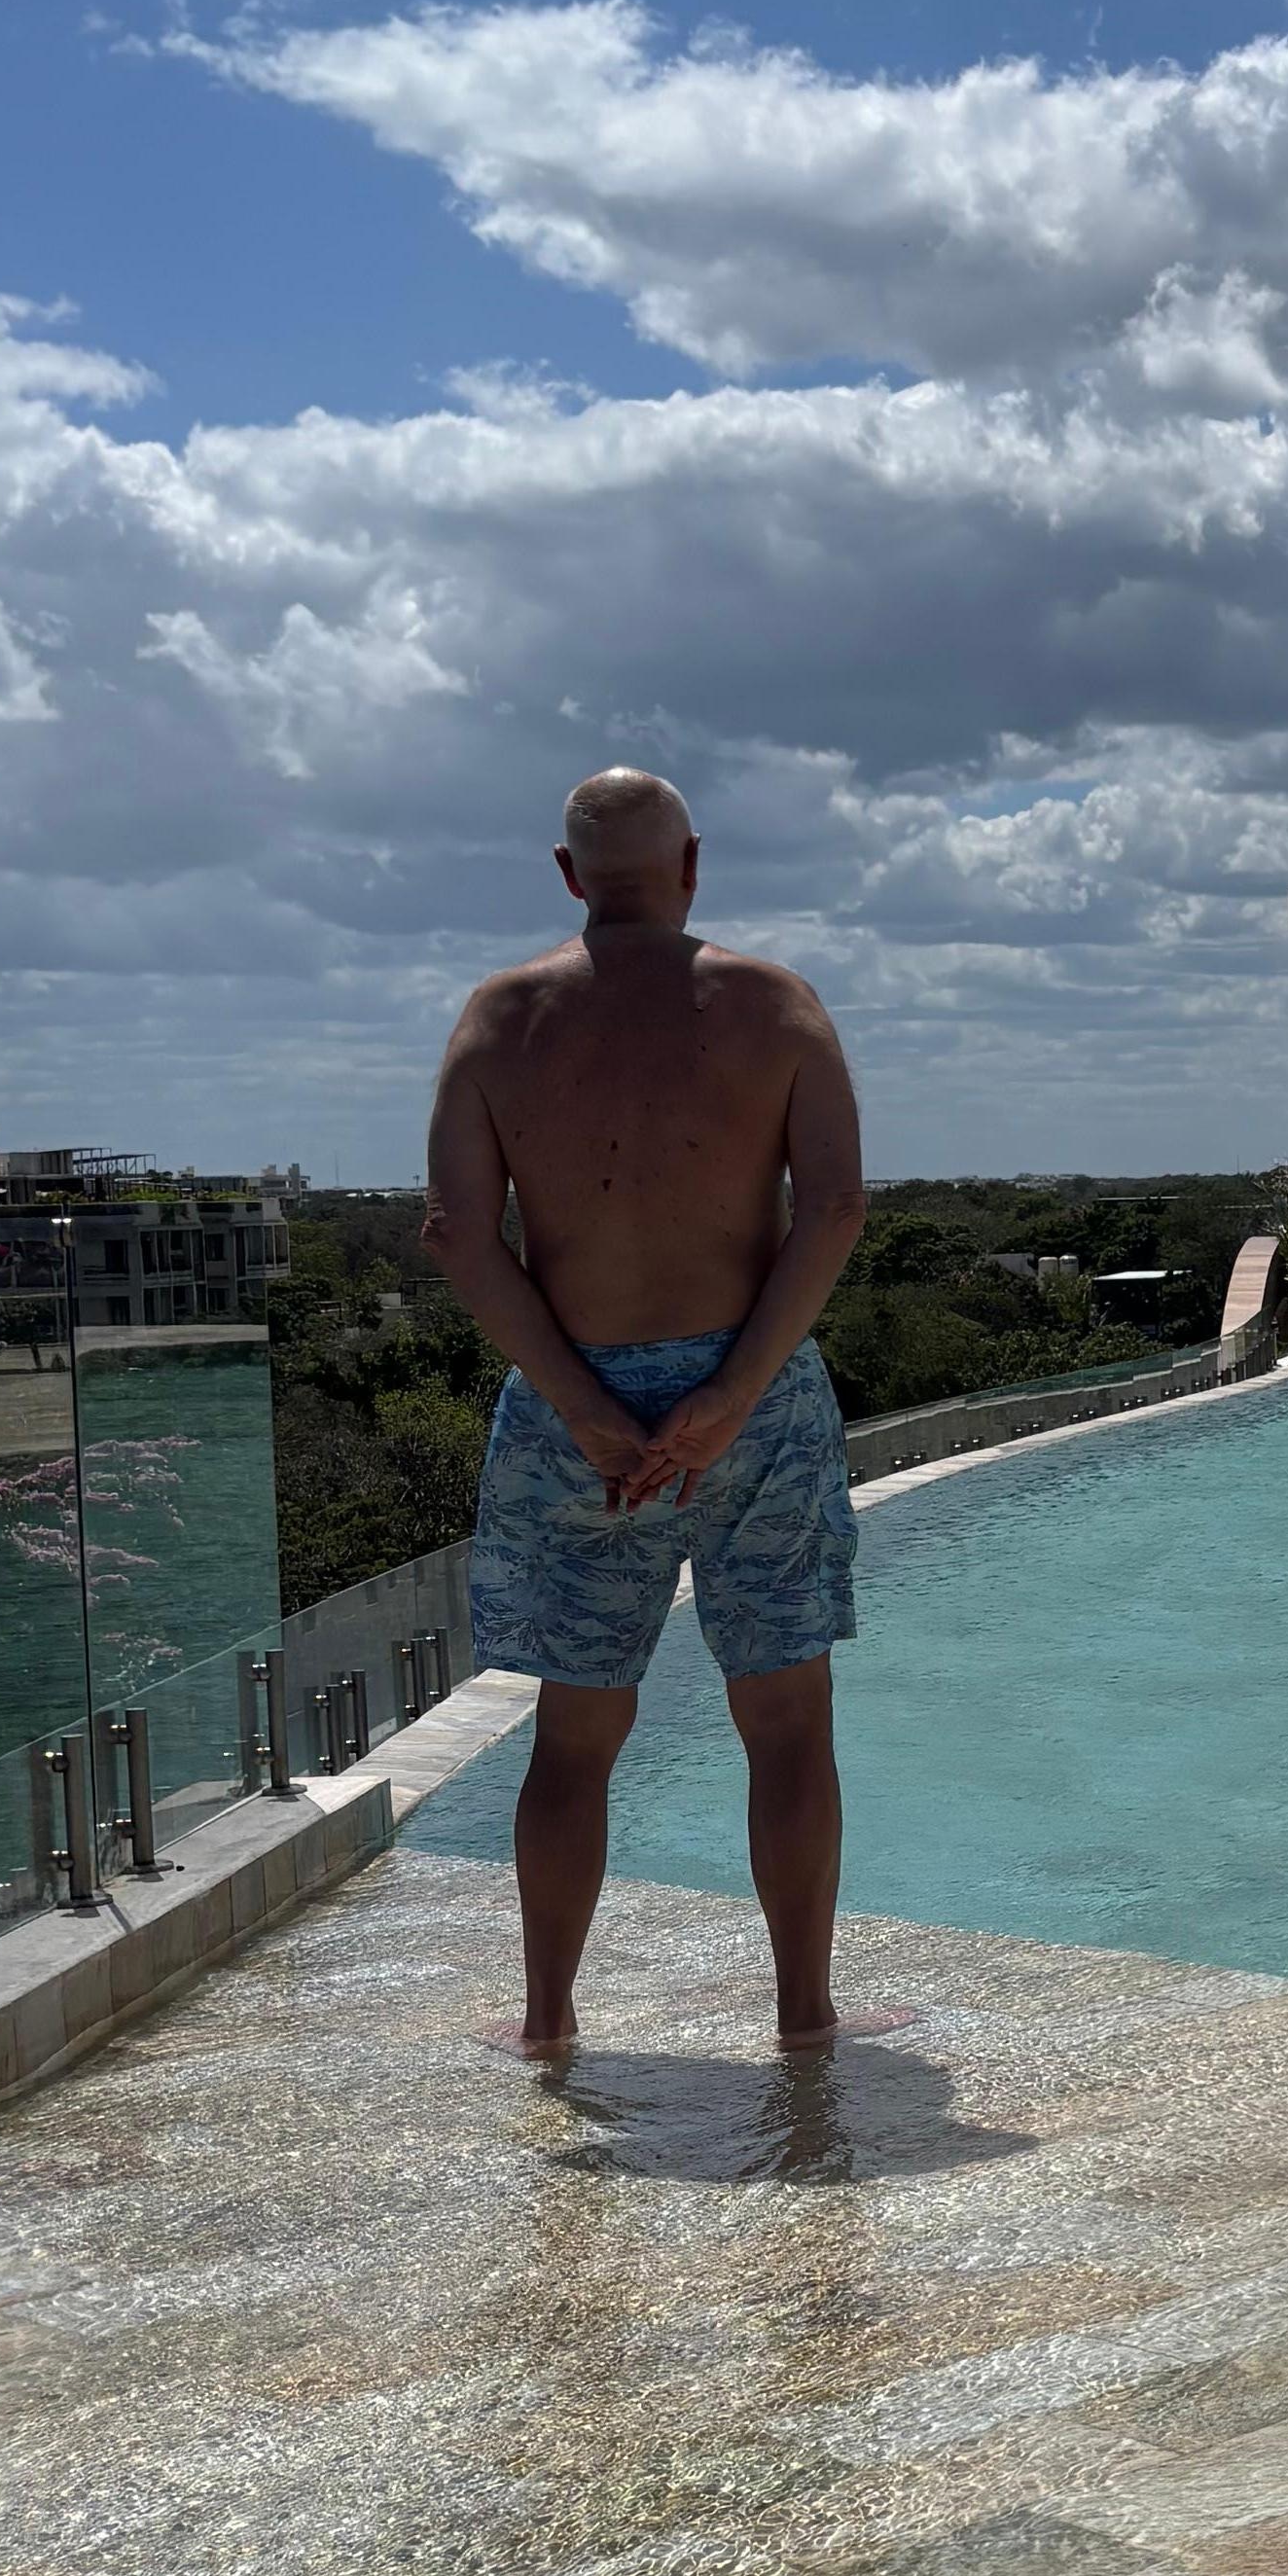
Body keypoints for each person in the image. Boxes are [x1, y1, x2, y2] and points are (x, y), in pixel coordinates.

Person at [422, 768, 868, 2054]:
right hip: (759, 1399)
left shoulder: (500, 1019)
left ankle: (550, 2018)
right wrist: (731, 1395)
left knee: (576, 1733)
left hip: (577, 1403)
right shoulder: (774, 1005)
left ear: (567, 879)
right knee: (784, 1725)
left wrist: (584, 1409)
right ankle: (802, 2013)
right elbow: (832, 1210)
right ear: (692, 867)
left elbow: (459, 1234)